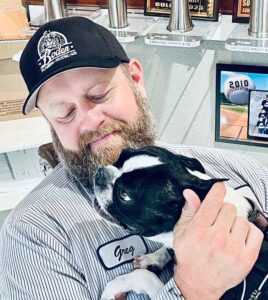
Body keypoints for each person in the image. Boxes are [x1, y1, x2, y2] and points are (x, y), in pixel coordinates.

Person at [0, 16, 266, 300]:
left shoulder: (237, 169)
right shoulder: (34, 236)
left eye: (99, 95)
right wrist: (193, 288)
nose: (90, 120)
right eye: (65, 112)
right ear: (49, 121)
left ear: (136, 81)